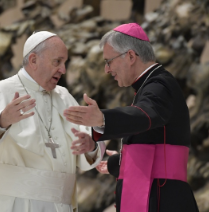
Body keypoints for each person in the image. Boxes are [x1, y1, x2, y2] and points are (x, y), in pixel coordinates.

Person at [0, 31, 106, 212]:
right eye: (57, 62)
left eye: (64, 63)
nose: (63, 70)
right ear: (34, 60)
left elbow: (85, 160)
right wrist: (1, 121)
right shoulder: (0, 91)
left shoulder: (64, 97)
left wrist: (90, 145)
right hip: (14, 205)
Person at [63, 23, 199, 212]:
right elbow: (153, 150)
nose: (107, 69)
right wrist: (118, 163)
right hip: (157, 192)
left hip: (164, 200)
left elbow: (144, 117)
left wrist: (102, 119)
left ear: (131, 56)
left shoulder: (159, 86)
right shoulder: (148, 86)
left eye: (109, 61)